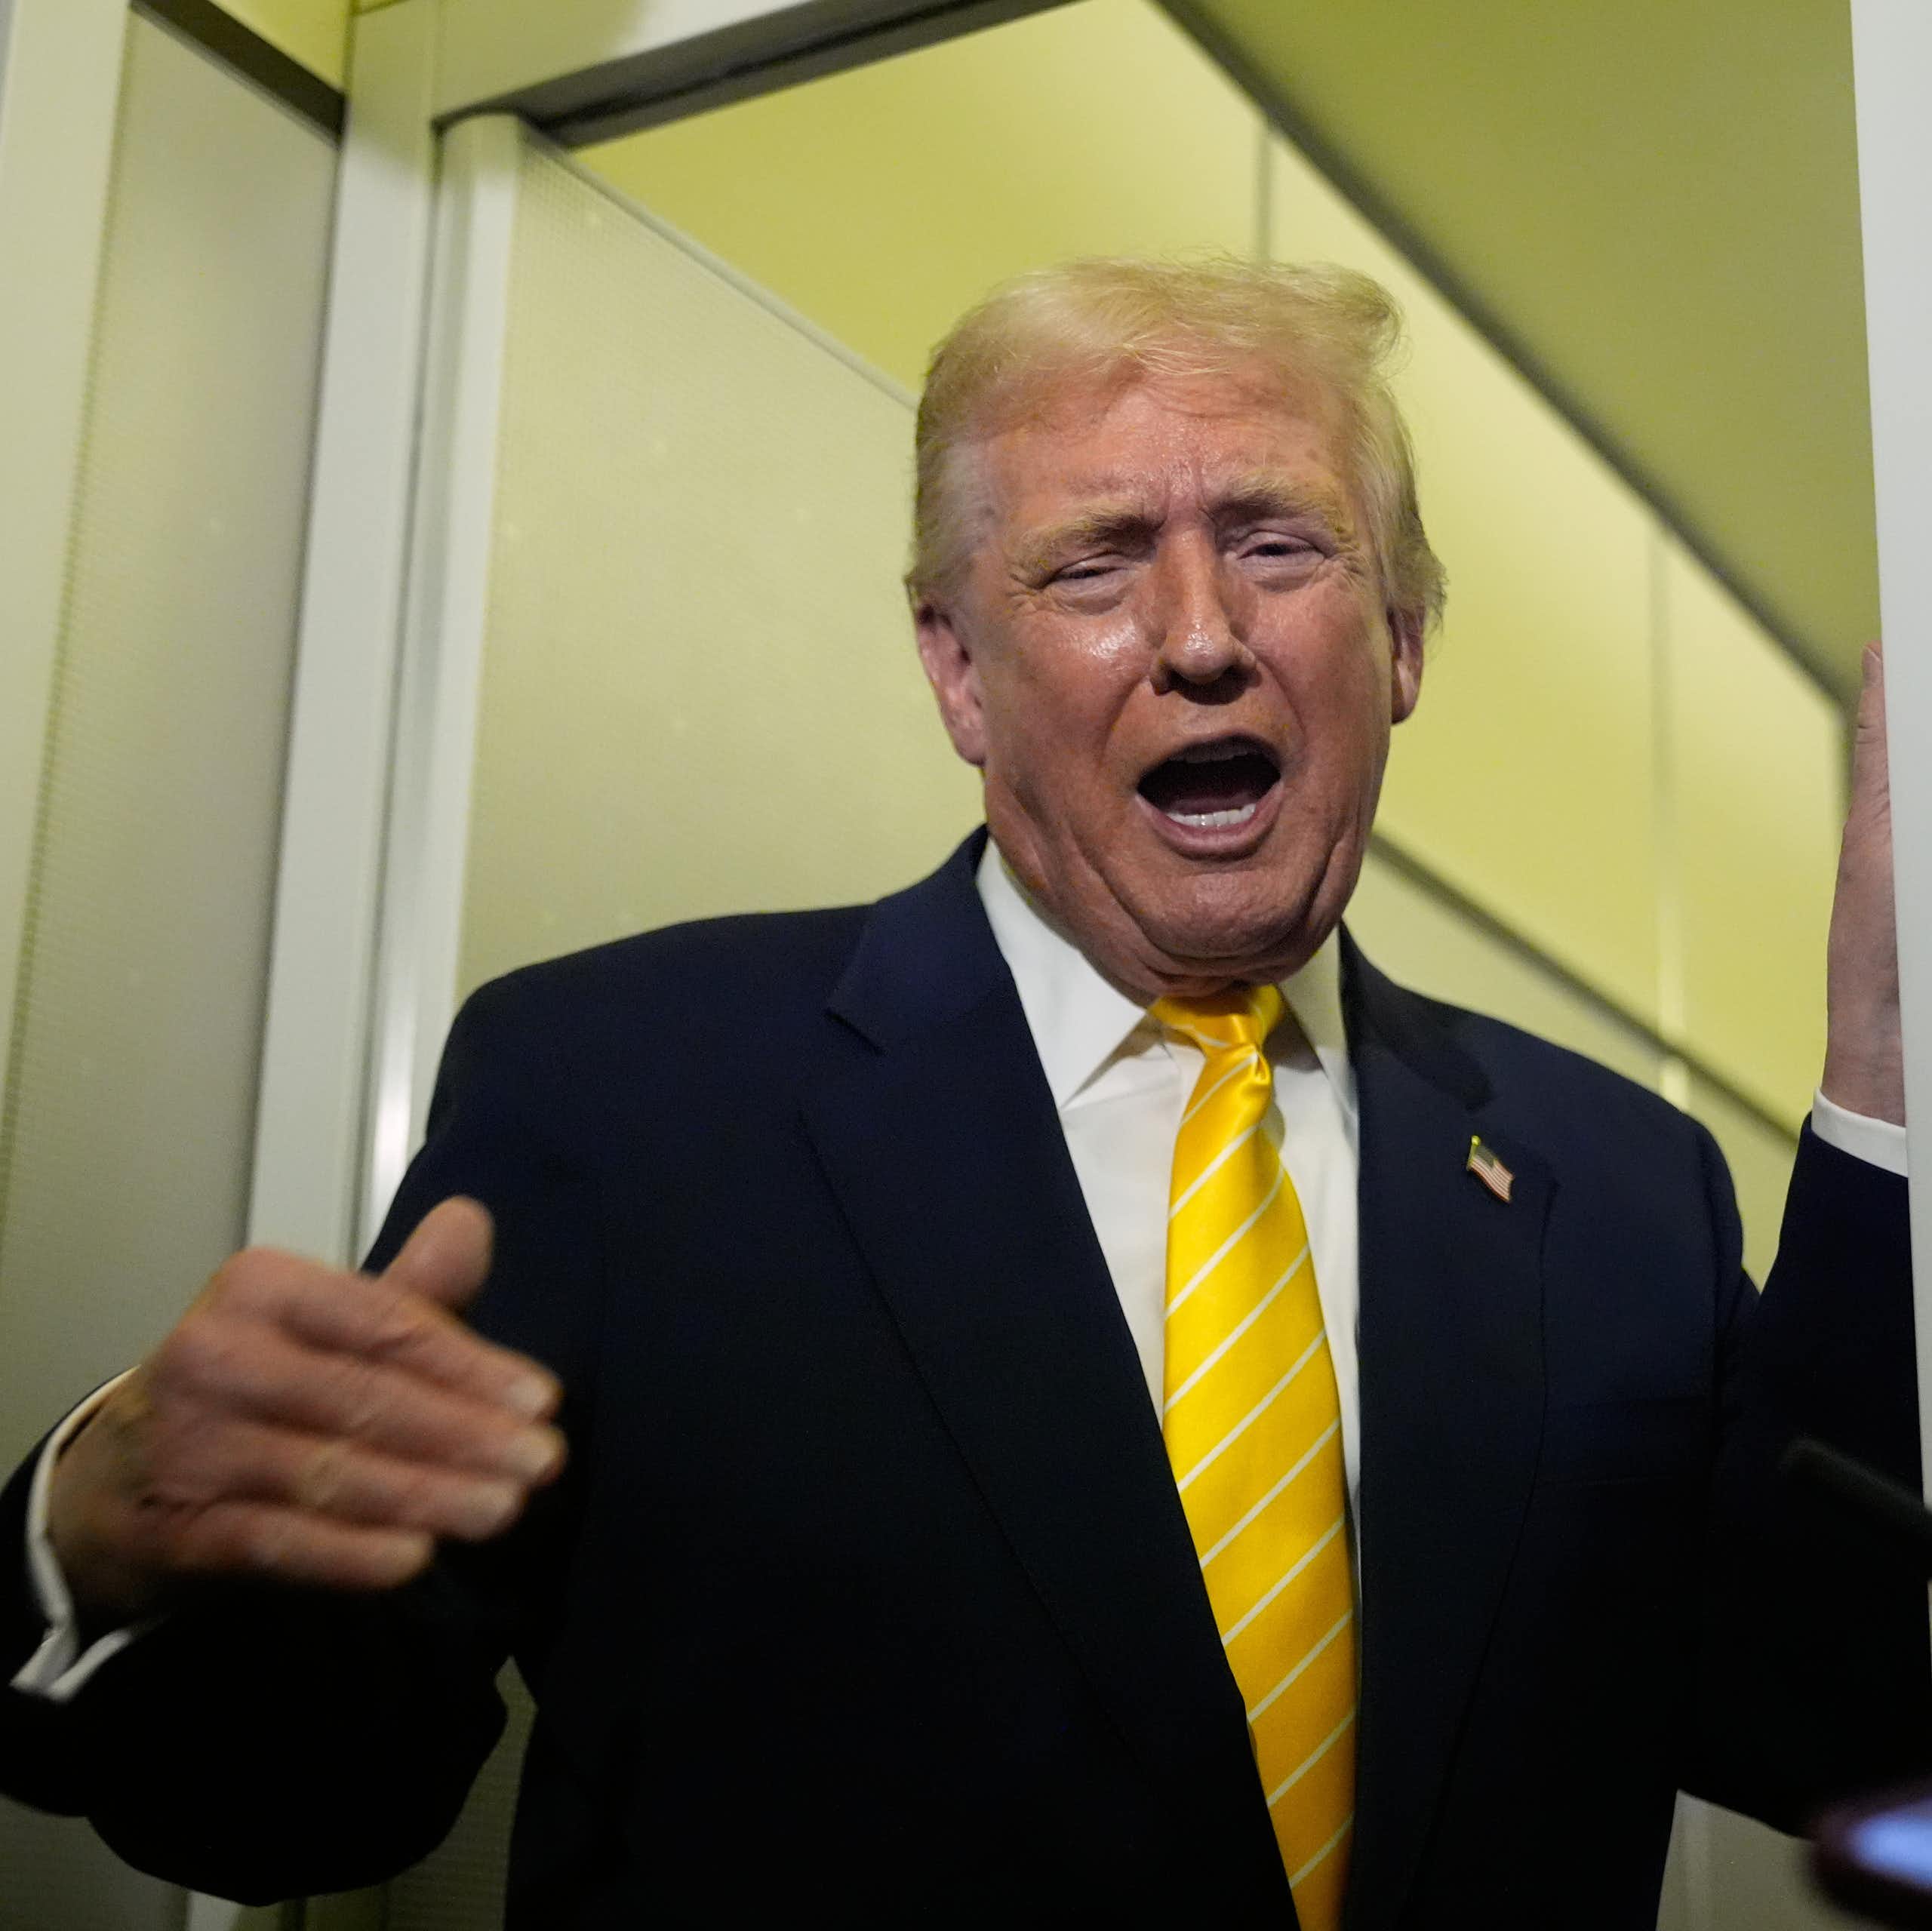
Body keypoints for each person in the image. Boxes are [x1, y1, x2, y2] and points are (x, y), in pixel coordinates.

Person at [1, 258, 1923, 1929]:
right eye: (1092, 562)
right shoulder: (629, 1096)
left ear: (1401, 635)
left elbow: (1839, 1730)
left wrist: (1890, 1082)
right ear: (957, 671)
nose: (1197, 634)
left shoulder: (1613, 1182)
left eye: (1276, 540)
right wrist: (98, 1532)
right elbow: (286, 1800)